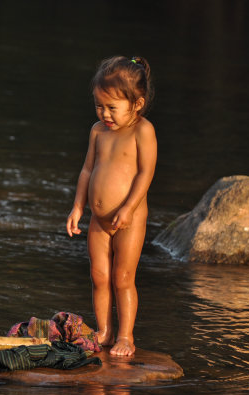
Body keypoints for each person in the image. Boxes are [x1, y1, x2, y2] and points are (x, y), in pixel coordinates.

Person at [66, 56, 157, 356]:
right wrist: (78, 206)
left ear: (137, 103)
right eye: (99, 106)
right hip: (98, 220)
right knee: (99, 276)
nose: (104, 113)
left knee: (122, 278)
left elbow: (145, 173)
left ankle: (126, 336)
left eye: (112, 107)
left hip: (128, 220)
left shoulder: (142, 131)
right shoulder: (97, 131)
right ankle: (104, 331)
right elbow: (87, 171)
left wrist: (129, 207)